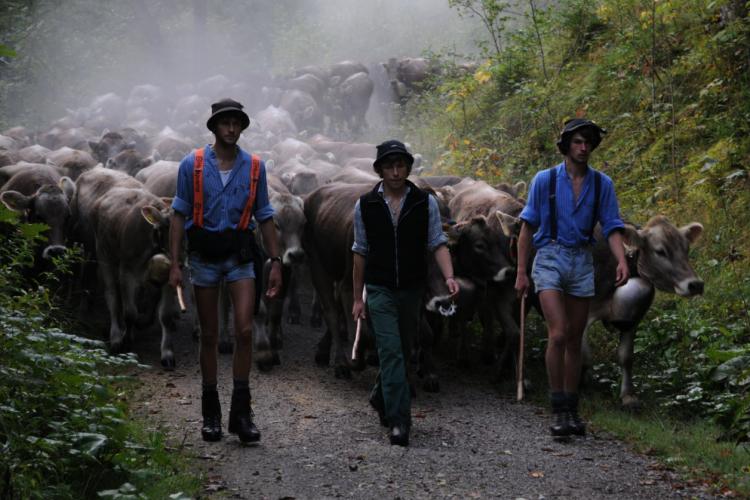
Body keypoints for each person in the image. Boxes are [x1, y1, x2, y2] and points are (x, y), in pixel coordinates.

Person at [169, 98, 282, 443]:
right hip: (204, 256)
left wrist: (275, 261)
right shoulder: (193, 164)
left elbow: (264, 214)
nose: (231, 129)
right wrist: (174, 263)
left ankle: (241, 413)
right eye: (225, 123)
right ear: (215, 127)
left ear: (242, 127)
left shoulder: (254, 167)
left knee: (245, 330)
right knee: (208, 334)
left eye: (236, 124)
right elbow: (178, 214)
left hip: (240, 257)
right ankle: (210, 412)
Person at [514, 118, 629, 438]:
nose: (583, 148)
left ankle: (573, 409)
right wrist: (522, 272)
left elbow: (611, 225)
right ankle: (558, 408)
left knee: (576, 338)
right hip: (549, 256)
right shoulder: (544, 180)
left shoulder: (602, 183)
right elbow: (527, 228)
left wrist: (621, 259)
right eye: (578, 142)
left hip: (582, 259)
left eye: (588, 142)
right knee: (559, 332)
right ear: (566, 145)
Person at [351, 140, 459, 447]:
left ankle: (379, 396)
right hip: (380, 287)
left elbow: (437, 242)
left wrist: (449, 276)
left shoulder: (424, 203)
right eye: (389, 166)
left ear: (408, 168)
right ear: (380, 170)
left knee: (405, 348)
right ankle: (400, 422)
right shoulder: (366, 204)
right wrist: (357, 298)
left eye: (400, 166)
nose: (396, 172)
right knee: (391, 350)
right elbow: (359, 252)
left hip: (413, 289)